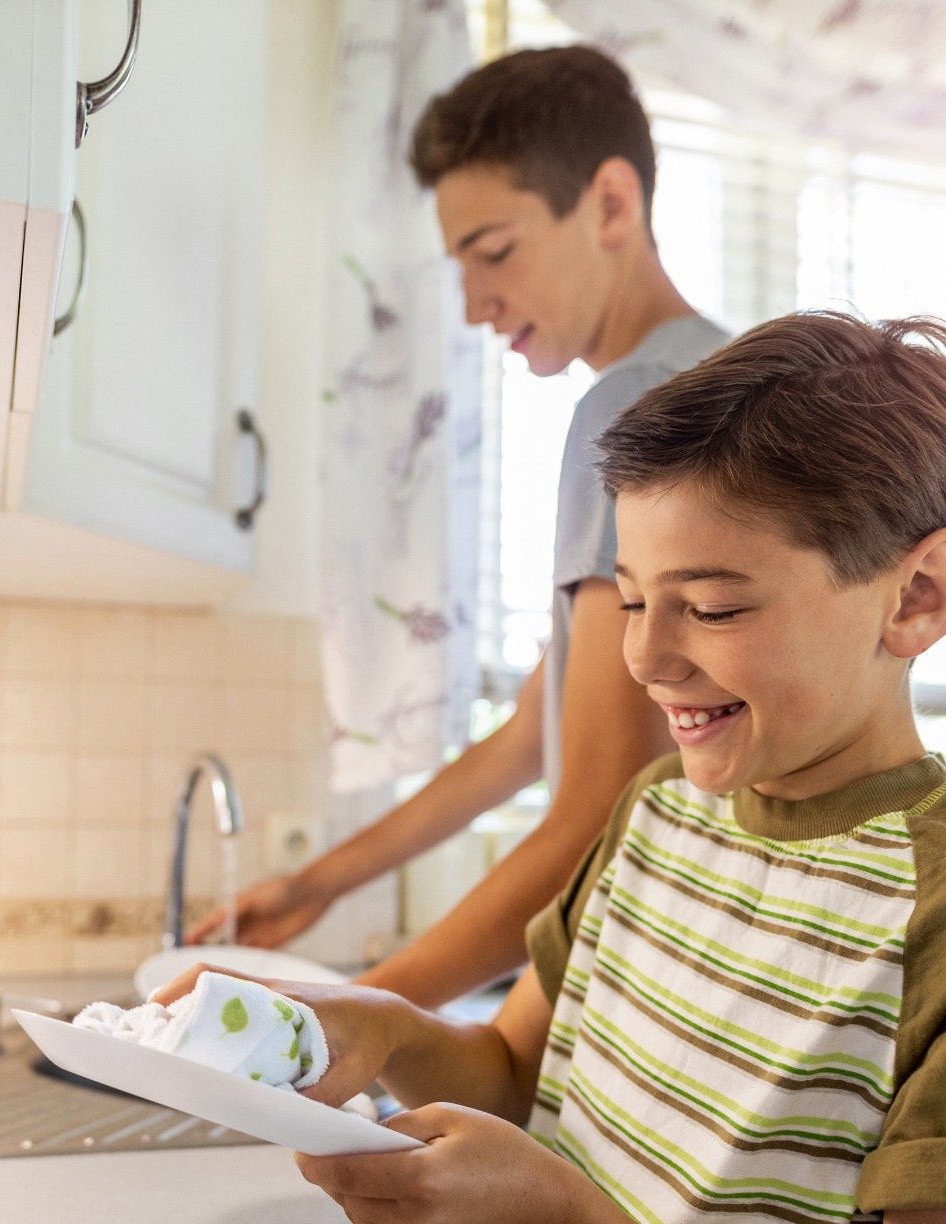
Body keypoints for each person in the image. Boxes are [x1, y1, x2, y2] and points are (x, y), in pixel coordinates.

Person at [161, 312, 946, 1223]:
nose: (644, 657)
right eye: (632, 602)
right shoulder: (657, 815)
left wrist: (567, 1215)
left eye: (711, 607)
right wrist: (390, 1031)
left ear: (918, 596)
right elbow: (513, 1070)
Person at [188, 46, 731, 1009]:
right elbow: (535, 732)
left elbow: (604, 808)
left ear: (611, 203)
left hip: (661, 972)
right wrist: (321, 882)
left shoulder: (635, 407)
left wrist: (358, 1012)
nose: (476, 305)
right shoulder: (721, 377)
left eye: (494, 252)